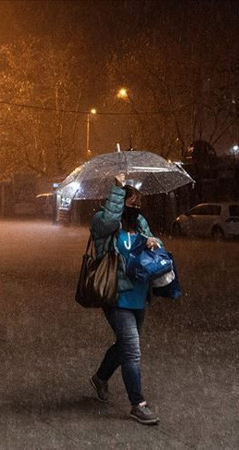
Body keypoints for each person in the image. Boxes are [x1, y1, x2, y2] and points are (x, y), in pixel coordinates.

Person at [88, 172, 163, 425]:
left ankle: (100, 378)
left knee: (124, 346)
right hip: (115, 295)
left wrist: (154, 242)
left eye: (138, 202)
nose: (136, 206)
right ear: (118, 199)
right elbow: (109, 220)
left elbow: (156, 242)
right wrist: (119, 188)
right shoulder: (102, 221)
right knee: (132, 349)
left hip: (139, 294)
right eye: (132, 201)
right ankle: (138, 404)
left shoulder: (139, 221)